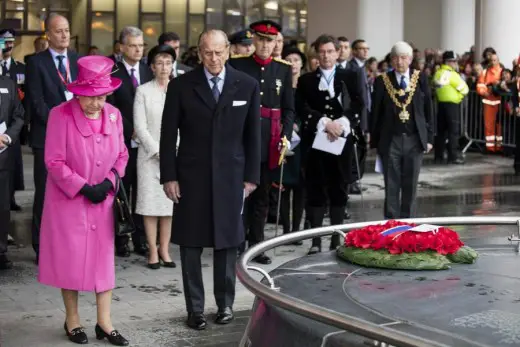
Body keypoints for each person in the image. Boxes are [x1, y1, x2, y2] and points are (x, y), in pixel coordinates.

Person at [160, 29, 260, 330]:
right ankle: (195, 309)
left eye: (218, 52)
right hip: (191, 177)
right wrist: (169, 176)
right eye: (207, 52)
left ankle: (225, 304)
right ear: (199, 52)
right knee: (190, 245)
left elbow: (252, 135)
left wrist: (251, 177)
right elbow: (168, 135)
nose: (213, 59)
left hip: (231, 177)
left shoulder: (247, 85)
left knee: (227, 243)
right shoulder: (181, 86)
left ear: (228, 51)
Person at [38, 55, 129, 346]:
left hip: (103, 200)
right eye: (90, 97)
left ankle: (105, 322)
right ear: (78, 93)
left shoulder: (114, 114)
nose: (97, 103)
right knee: (70, 261)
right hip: (69, 202)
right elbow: (53, 161)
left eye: (102, 97)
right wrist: (82, 186)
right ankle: (73, 321)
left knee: (103, 263)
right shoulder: (59, 114)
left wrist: (110, 181)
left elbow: (123, 154)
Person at [229, 20, 295, 265]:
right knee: (241, 193)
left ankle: (257, 245)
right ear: (253, 40)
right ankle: (237, 241)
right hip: (243, 138)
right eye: (261, 40)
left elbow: (289, 109)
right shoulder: (237, 65)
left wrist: (285, 136)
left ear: (276, 42)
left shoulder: (283, 69)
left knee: (263, 195)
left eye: (270, 40)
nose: (265, 45)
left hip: (270, 140)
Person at [295, 34, 361, 255]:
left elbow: (359, 103)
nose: (326, 56)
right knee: (315, 189)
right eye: (322, 52)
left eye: (330, 51)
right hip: (315, 143)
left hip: (341, 141)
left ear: (337, 53)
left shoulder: (350, 76)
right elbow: (301, 108)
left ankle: (336, 238)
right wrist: (323, 122)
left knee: (339, 188)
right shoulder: (306, 80)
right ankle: (315, 241)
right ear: (316, 54)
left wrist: (341, 123)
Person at [26, 13, 79, 264]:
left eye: (67, 30)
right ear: (48, 34)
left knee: (71, 192)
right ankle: (41, 245)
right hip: (46, 137)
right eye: (59, 31)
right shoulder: (36, 63)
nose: (65, 35)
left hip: (76, 139)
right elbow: (37, 102)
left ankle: (67, 243)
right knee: (45, 193)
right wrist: (61, 125)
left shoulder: (78, 61)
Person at [370, 41, 433, 219]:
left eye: (403, 58)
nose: (399, 62)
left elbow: (429, 109)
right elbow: (376, 111)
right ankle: (391, 223)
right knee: (391, 183)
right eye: (396, 58)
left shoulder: (420, 78)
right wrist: (374, 140)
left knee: (410, 184)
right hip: (391, 139)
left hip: (414, 138)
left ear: (410, 59)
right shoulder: (382, 81)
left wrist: (429, 138)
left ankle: (409, 223)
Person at [108, 26, 153, 257]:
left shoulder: (147, 71)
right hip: (123, 141)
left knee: (142, 192)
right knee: (122, 191)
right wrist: (132, 130)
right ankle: (121, 238)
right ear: (122, 47)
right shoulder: (113, 72)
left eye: (141, 45)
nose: (138, 50)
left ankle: (141, 238)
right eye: (133, 46)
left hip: (145, 144)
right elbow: (112, 106)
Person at [133, 44, 176, 269]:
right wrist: (158, 151)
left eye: (168, 62)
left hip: (175, 155)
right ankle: (151, 249)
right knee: (150, 205)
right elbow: (140, 126)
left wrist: (174, 151)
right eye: (159, 62)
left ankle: (165, 249)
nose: (164, 67)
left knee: (168, 204)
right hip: (149, 157)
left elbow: (185, 124)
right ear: (151, 66)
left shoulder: (179, 88)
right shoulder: (143, 91)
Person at [0, 37, 25, 270]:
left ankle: (1, 251)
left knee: (2, 205)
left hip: (3, 154)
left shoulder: (8, 83)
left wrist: (7, 137)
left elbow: (19, 115)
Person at [0, 28, 26, 212]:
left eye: (11, 41)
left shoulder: (20, 68)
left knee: (11, 168)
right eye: (4, 41)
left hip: (10, 129)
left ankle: (9, 199)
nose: (8, 44)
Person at [432, 50, 469, 164]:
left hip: (441, 105)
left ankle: (438, 156)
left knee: (441, 132)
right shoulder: (452, 75)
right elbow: (465, 89)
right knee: (453, 132)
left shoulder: (438, 73)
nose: (455, 64)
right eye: (454, 61)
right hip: (452, 105)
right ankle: (453, 156)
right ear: (448, 62)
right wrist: (458, 95)